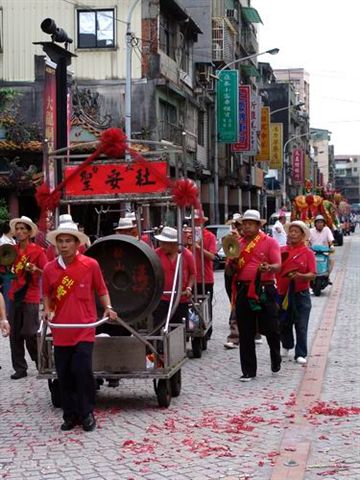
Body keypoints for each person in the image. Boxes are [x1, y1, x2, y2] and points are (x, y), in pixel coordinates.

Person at [42, 216, 117, 432]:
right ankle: (70, 415)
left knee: (82, 371)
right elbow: (47, 294)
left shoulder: (90, 265)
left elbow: (102, 290)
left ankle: (86, 413)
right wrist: (47, 310)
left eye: (68, 241)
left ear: (77, 243)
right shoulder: (49, 269)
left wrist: (108, 307)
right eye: (61, 241)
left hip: (84, 328)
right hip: (61, 331)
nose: (64, 245)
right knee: (64, 374)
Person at [232, 210, 282, 381]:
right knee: (245, 331)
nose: (246, 226)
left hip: (264, 289)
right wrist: (230, 264)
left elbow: (277, 265)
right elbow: (232, 269)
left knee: (272, 328)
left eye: (250, 223)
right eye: (244, 223)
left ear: (258, 225)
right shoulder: (237, 243)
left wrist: (269, 267)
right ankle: (248, 370)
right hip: (244, 290)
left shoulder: (270, 242)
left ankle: (276, 358)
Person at [8, 216, 48, 379]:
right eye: (17, 229)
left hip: (30, 295)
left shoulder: (38, 251)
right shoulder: (11, 251)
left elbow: (47, 272)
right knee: (15, 333)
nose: (19, 232)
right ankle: (20, 368)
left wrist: (35, 269)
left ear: (29, 232)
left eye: (23, 229)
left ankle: (40, 361)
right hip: (14, 294)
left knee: (30, 332)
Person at [278, 221, 316, 364]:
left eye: (296, 231)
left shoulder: (308, 253)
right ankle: (287, 345)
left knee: (301, 324)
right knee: (284, 322)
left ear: (302, 235)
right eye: (291, 231)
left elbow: (312, 274)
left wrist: (300, 276)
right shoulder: (281, 250)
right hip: (282, 292)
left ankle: (301, 353)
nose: (292, 234)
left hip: (301, 294)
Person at [152, 226, 196, 329]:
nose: (161, 245)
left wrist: (189, 288)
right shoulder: (156, 254)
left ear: (172, 244)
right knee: (160, 325)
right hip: (161, 298)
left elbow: (193, 274)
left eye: (163, 243)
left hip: (181, 298)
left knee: (180, 328)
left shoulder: (187, 255)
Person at [192, 210, 217, 322]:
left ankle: (207, 328)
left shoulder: (210, 236)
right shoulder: (186, 235)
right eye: (194, 221)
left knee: (206, 305)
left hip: (205, 277)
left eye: (198, 221)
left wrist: (198, 247)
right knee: (191, 306)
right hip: (191, 278)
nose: (196, 223)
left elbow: (212, 256)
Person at [224, 214, 242, 349]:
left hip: (248, 278)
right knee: (233, 300)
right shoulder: (231, 237)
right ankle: (235, 335)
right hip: (232, 273)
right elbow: (228, 253)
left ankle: (254, 333)